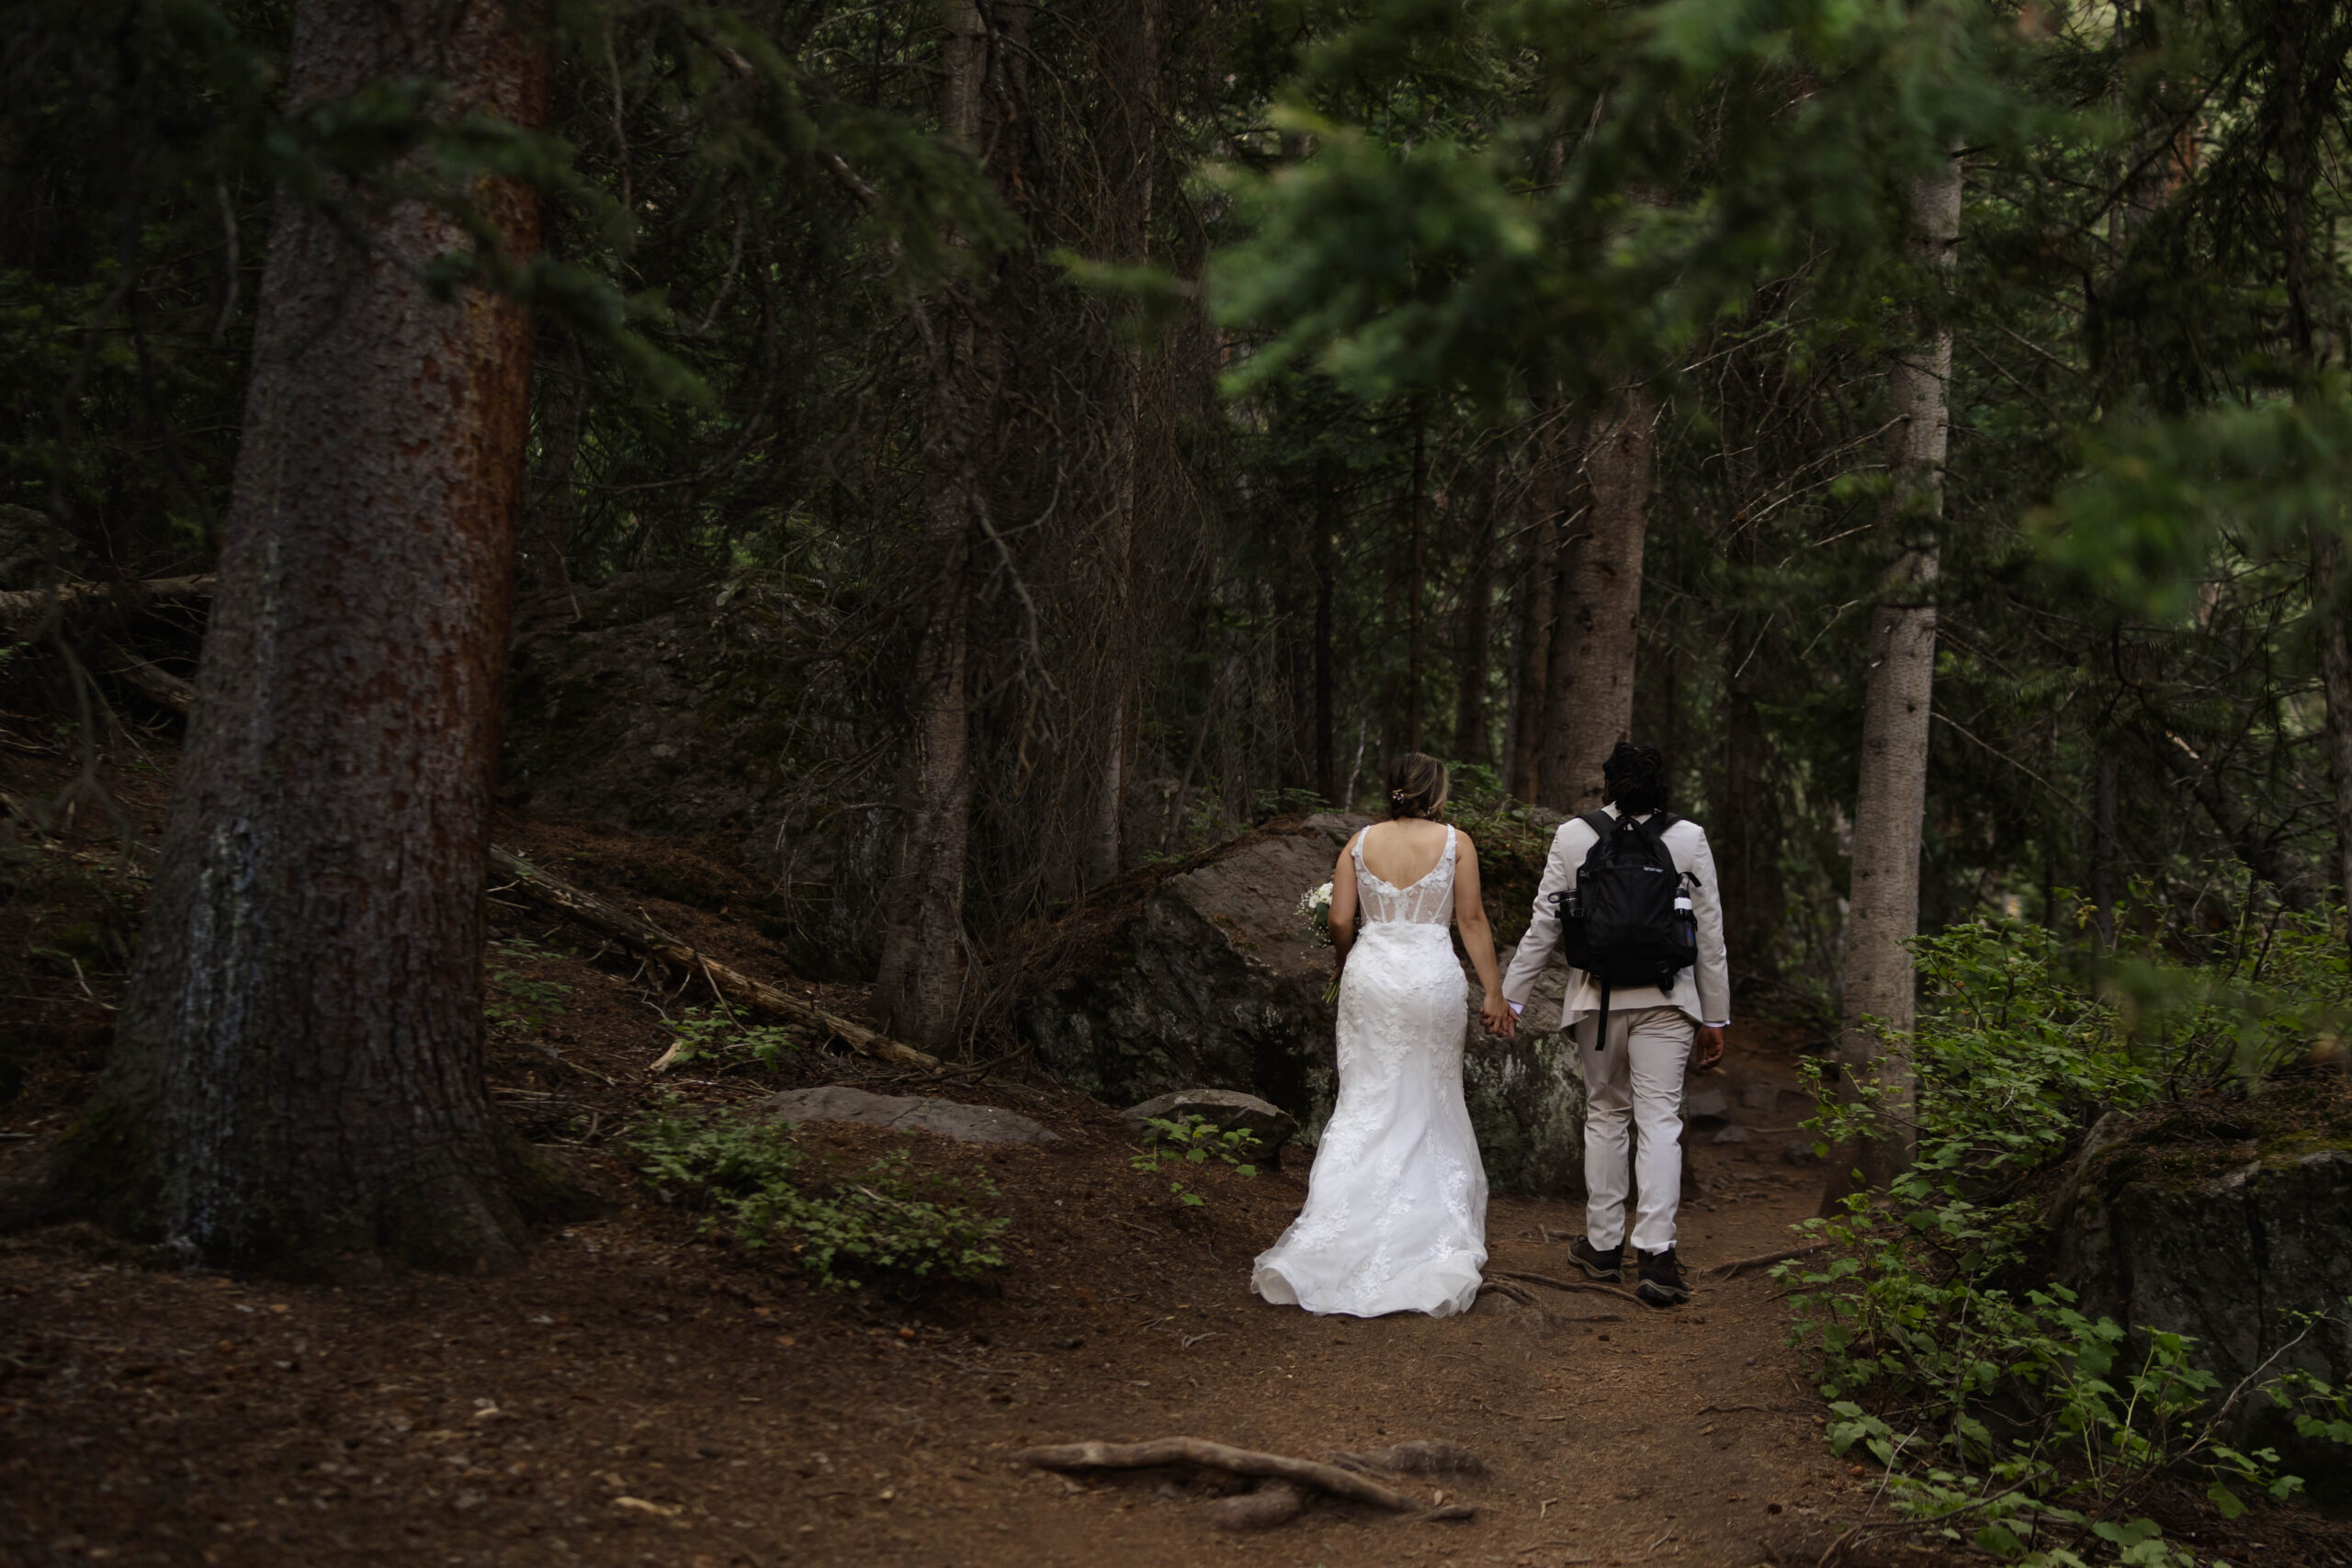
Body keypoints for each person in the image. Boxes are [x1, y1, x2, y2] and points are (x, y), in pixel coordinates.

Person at [1251, 753, 1516, 1318]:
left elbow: (1341, 920)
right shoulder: (1456, 842)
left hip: (1371, 976)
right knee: (1429, 1093)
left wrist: (1349, 963)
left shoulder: (1358, 842)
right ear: (1437, 791)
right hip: (1430, 977)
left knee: (1366, 1097)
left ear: (1392, 790)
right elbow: (1470, 921)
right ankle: (1427, 1230)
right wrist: (1493, 991)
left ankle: (1336, 1230)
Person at [1499, 741, 1729, 1309]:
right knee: (1659, 1121)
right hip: (1668, 1000)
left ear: (1608, 785)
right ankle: (1656, 1254)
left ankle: (1603, 1247)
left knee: (1605, 1113)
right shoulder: (1689, 838)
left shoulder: (1574, 836)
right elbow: (1710, 935)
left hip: (1595, 998)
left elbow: (1545, 925)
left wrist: (1511, 998)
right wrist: (1716, 1015)